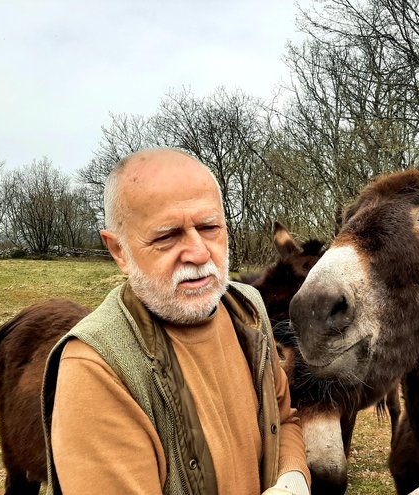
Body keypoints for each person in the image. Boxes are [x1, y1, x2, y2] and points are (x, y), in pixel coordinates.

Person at [41, 148, 310, 495]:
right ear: (119, 250)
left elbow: (285, 419)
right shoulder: (95, 369)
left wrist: (293, 477)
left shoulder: (249, 310)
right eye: (167, 235)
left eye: (210, 227)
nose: (199, 253)